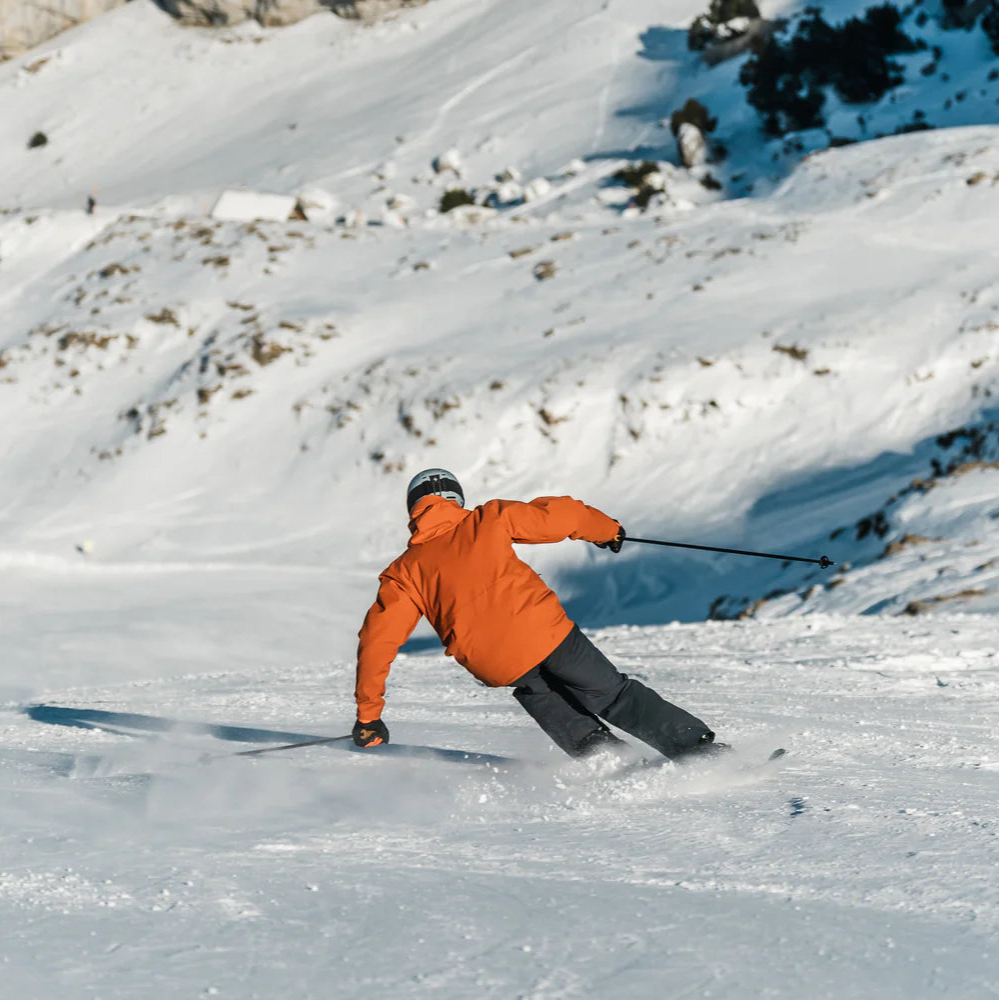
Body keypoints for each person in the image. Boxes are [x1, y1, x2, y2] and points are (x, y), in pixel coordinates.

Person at [352, 468, 719, 759]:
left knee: (540, 694)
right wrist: (606, 530)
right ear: (456, 498)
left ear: (414, 509)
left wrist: (369, 717)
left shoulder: (404, 572)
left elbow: (376, 642)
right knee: (611, 694)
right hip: (547, 633)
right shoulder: (486, 519)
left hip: (497, 662)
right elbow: (560, 515)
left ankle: (608, 762)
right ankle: (697, 751)